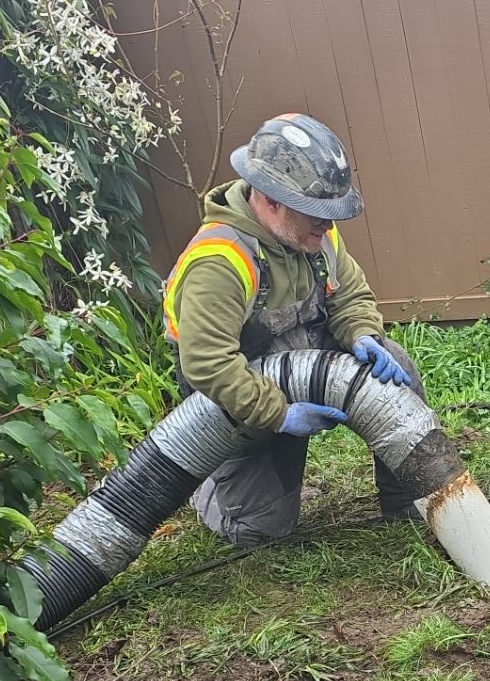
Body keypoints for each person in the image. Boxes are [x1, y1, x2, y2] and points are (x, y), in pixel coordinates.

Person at [162, 112, 424, 545]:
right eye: (316, 213)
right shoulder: (219, 261)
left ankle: (405, 499)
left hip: (310, 360)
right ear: (270, 200)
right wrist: (280, 415)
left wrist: (361, 333)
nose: (327, 224)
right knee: (261, 531)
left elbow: (350, 294)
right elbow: (208, 365)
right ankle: (206, 484)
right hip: (241, 396)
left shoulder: (313, 233)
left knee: (394, 364)